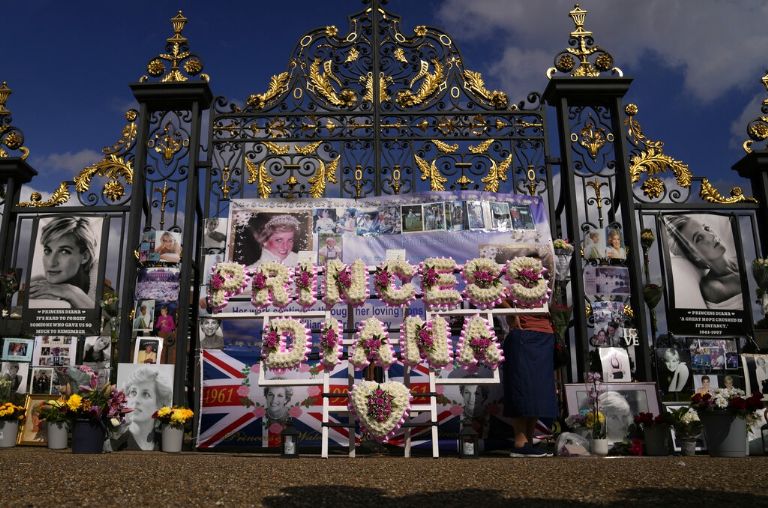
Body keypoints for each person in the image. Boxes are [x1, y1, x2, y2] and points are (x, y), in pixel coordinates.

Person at [503, 312, 557, 457]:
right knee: (522, 387)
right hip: (524, 332)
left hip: (545, 334)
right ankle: (520, 442)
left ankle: (529, 441)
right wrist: (513, 313)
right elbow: (497, 299)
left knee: (538, 390)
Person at [664, 215, 742, 310]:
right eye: (699, 238)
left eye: (706, 228)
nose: (711, 236)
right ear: (694, 255)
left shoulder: (741, 260)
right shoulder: (713, 287)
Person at [29, 217, 97, 309]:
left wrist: (71, 291)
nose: (51, 263)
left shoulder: (103, 280)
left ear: (85, 257)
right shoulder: (39, 284)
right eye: (48, 251)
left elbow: (109, 317)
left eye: (64, 251)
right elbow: (16, 311)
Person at [119, 367, 173, 451]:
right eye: (133, 392)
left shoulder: (166, 443)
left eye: (146, 394)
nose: (136, 400)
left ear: (159, 405)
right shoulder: (117, 443)